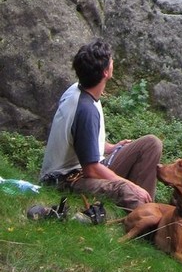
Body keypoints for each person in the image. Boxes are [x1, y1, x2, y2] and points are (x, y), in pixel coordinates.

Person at [40, 39, 162, 210]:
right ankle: (145, 215)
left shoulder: (79, 89)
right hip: (65, 180)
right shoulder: (85, 110)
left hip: (82, 170)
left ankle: (145, 211)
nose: (113, 62)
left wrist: (111, 148)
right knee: (127, 190)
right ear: (105, 72)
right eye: (111, 61)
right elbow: (91, 169)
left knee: (151, 144)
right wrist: (131, 185)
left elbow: (79, 139)